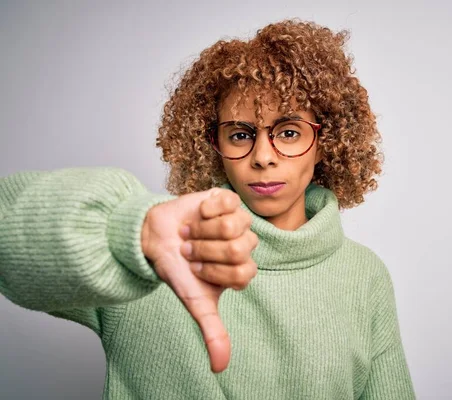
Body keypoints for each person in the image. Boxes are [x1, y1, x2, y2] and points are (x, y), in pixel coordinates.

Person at [0, 19, 416, 399]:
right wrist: (128, 234)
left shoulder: (364, 276)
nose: (263, 156)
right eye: (240, 134)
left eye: (288, 132)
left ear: (326, 142)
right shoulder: (161, 252)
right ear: (213, 145)